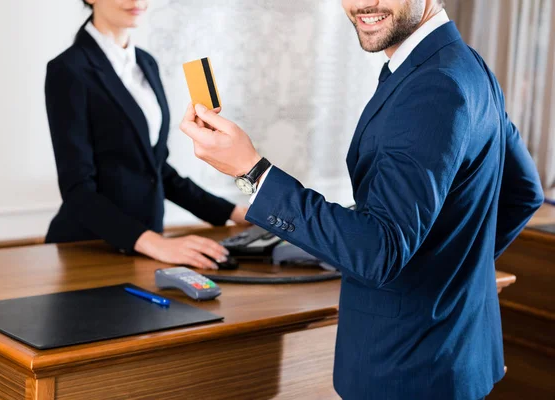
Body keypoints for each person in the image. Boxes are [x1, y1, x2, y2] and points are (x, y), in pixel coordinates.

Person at [180, 0, 544, 398]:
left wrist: (252, 171)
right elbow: (524, 193)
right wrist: (449, 271)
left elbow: (379, 250)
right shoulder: (464, 63)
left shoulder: (434, 85)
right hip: (450, 359)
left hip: (408, 370)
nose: (362, 4)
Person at [45, 0, 249, 270]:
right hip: (89, 250)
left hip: (147, 248)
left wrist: (233, 213)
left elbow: (157, 169)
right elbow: (77, 190)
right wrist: (155, 243)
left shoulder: (146, 63)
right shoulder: (69, 69)